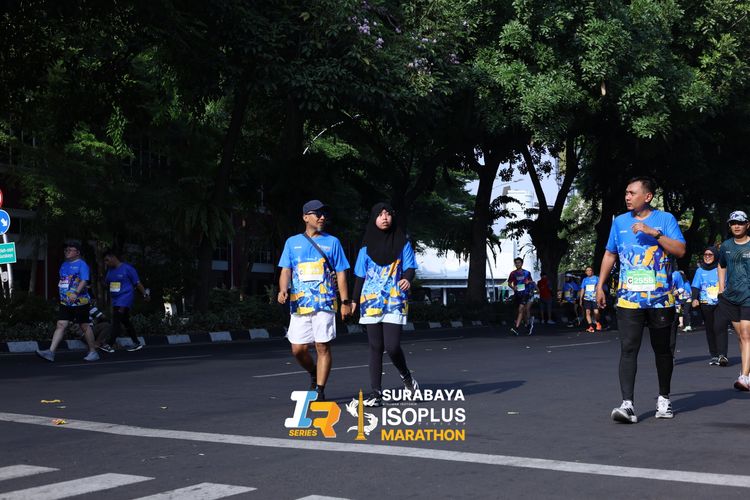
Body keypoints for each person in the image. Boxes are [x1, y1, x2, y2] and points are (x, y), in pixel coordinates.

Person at [597, 176, 686, 423]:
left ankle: (664, 399)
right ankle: (627, 405)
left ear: (647, 196)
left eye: (632, 193)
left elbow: (680, 250)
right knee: (628, 348)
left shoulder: (665, 219)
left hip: (660, 299)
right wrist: (600, 285)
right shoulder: (619, 222)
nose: (627, 197)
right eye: (626, 192)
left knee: (663, 350)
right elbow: (610, 254)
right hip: (629, 299)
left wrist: (653, 233)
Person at [277, 200, 352, 401]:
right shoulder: (292, 242)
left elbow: (341, 273)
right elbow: (286, 270)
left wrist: (345, 302)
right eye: (317, 214)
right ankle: (313, 372)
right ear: (305, 217)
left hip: (325, 303)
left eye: (324, 214)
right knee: (298, 349)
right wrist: (283, 289)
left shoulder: (333, 242)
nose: (322, 217)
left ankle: (319, 389)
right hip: (300, 304)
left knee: (322, 346)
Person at [352, 203, 419, 407]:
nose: (384, 218)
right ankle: (376, 393)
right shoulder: (365, 248)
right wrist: (353, 300)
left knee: (392, 346)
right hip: (370, 301)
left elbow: (410, 267)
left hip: (394, 299)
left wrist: (407, 278)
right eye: (380, 214)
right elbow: (360, 276)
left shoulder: (402, 243)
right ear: (374, 218)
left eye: (388, 214)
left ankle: (407, 378)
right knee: (375, 347)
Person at [36, 242, 100, 362]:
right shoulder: (64, 264)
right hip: (65, 301)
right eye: (66, 250)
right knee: (61, 324)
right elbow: (63, 281)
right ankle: (50, 352)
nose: (67, 252)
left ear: (77, 252)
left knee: (84, 326)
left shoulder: (82, 264)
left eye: (70, 250)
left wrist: (75, 293)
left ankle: (93, 352)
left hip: (80, 301)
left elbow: (84, 281)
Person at [715, 211, 750, 390]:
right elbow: (721, 265)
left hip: (748, 296)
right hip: (731, 297)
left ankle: (744, 377)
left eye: (740, 223)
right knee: (741, 337)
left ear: (747, 225)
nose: (736, 226)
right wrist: (721, 288)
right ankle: (747, 372)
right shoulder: (726, 246)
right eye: (733, 223)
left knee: (746, 334)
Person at [97, 249, 151, 353]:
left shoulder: (128, 269)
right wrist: (101, 280)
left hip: (125, 299)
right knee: (125, 321)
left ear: (113, 257)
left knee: (116, 320)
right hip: (116, 300)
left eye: (107, 260)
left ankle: (109, 344)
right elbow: (107, 285)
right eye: (104, 261)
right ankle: (136, 343)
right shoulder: (110, 271)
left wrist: (145, 294)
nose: (106, 263)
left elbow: (137, 283)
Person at [691, 246, 726, 366]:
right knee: (710, 329)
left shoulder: (721, 268)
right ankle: (714, 355)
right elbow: (695, 286)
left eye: (710, 255)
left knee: (720, 327)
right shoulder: (700, 270)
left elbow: (727, 283)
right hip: (705, 304)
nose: (707, 257)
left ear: (715, 256)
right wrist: (694, 299)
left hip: (720, 303)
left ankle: (722, 355)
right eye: (705, 255)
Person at [508, 257, 535, 335]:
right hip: (517, 294)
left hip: (525, 293)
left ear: (522, 264)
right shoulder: (513, 273)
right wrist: (513, 287)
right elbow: (509, 283)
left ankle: (516, 328)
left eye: (519, 263)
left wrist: (528, 282)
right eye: (516, 263)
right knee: (521, 312)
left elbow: (531, 281)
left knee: (520, 309)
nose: (517, 264)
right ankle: (528, 325)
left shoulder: (527, 273)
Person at [669, 269, 692, 358]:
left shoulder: (676, 275)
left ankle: (671, 355)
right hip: (660, 306)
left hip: (676, 304)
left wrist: (677, 291)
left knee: (672, 330)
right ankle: (663, 355)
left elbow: (682, 288)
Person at [579, 266, 601, 332]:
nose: (588, 272)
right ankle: (591, 326)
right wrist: (580, 298)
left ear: (592, 271)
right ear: (586, 272)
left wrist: (599, 296)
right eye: (587, 270)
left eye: (590, 270)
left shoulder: (596, 278)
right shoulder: (584, 280)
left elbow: (599, 287)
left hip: (595, 298)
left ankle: (597, 322)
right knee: (587, 312)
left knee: (596, 312)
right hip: (587, 298)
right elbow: (582, 289)